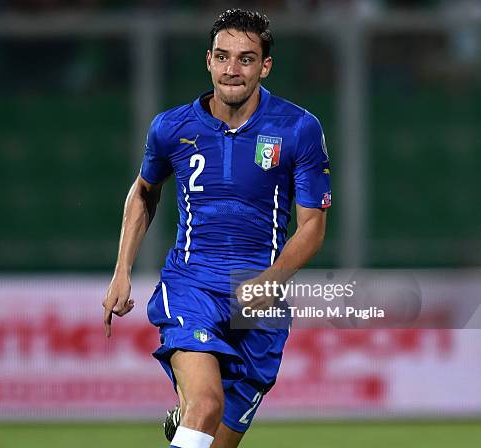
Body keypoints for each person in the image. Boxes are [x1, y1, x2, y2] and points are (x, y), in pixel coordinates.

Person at [102, 8, 331, 448]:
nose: (232, 69)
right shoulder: (172, 127)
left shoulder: (298, 128)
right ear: (208, 60)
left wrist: (269, 282)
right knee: (207, 406)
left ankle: (184, 420)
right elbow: (144, 192)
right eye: (223, 57)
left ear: (265, 66)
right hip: (193, 284)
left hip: (258, 301)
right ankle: (192, 411)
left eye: (246, 59)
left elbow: (312, 227)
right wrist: (122, 270)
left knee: (212, 438)